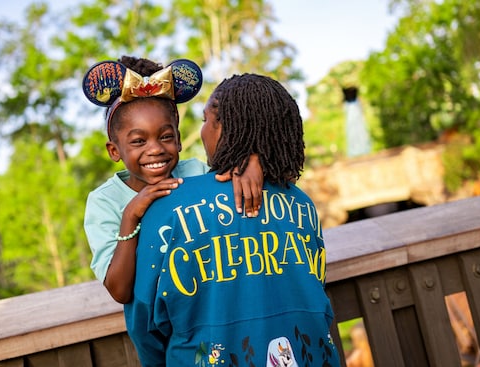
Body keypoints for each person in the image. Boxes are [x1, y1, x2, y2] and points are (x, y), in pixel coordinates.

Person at [125, 73, 341, 367]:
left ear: (223, 126)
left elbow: (144, 320)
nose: (201, 133)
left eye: (205, 121)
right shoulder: (301, 203)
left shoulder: (165, 208)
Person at [82, 56, 263, 304]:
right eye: (138, 141)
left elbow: (242, 198)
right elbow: (120, 291)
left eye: (165, 137)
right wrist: (131, 215)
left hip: (220, 306)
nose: (155, 149)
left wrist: (251, 161)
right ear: (114, 151)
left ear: (178, 139)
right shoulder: (104, 202)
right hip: (166, 331)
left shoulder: (197, 173)